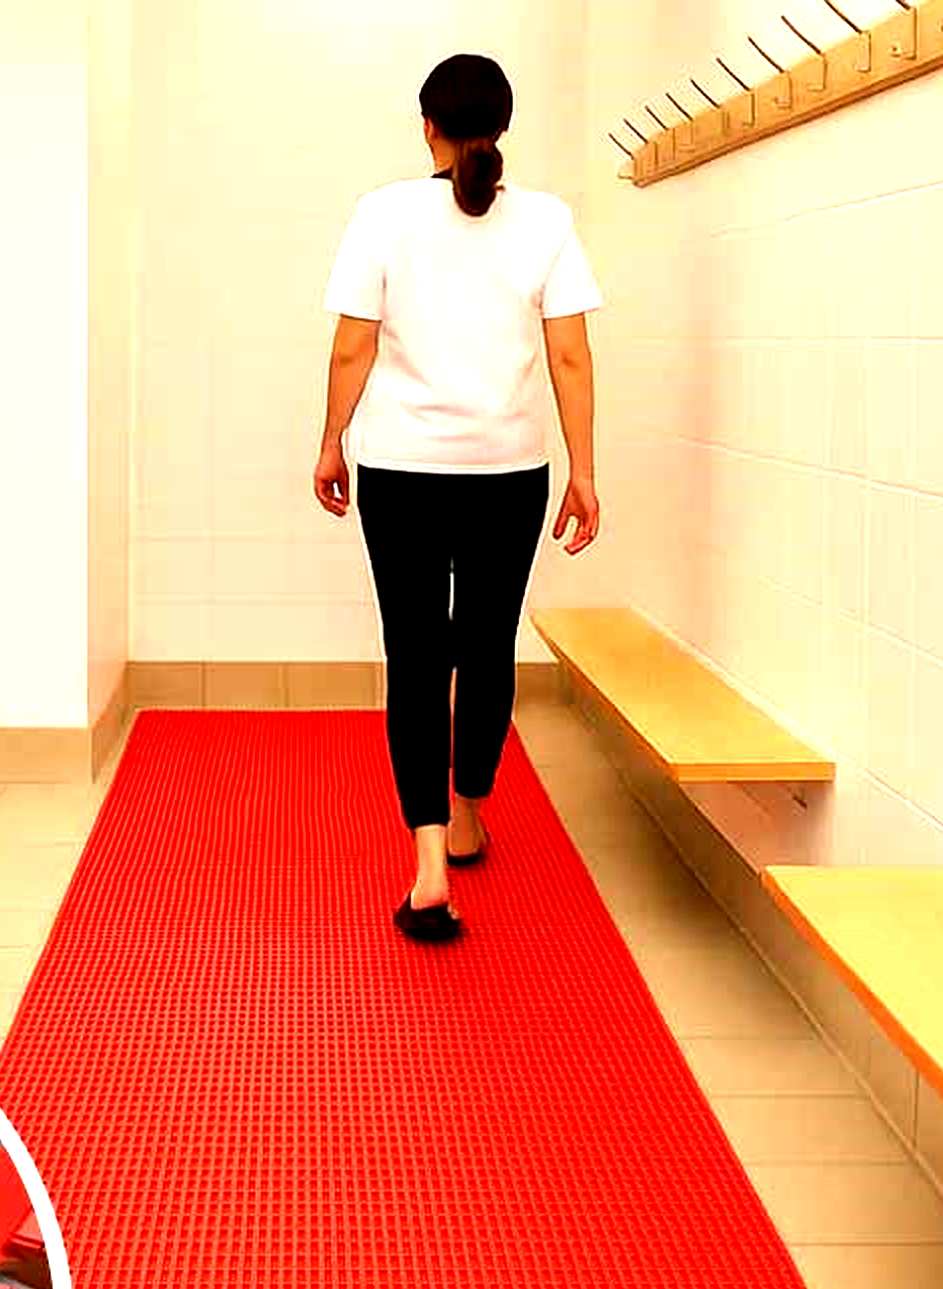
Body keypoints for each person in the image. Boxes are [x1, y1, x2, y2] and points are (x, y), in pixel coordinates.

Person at [316, 52, 603, 944]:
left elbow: (351, 350)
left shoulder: (382, 214)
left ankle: (430, 864)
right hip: (509, 473)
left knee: (415, 655)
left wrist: (331, 440)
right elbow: (569, 357)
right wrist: (585, 469)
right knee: (485, 644)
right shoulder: (548, 221)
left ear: (428, 125)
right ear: (502, 127)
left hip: (400, 472)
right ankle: (472, 809)